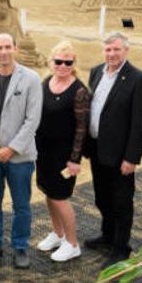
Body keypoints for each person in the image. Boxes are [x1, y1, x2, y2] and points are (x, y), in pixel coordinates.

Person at [0, 34, 42, 269]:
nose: (3, 52)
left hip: (19, 157)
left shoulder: (31, 79)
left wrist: (11, 149)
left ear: (15, 48)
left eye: (7, 47)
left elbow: (33, 119)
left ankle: (20, 247)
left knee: (21, 205)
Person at [85, 32, 142, 268]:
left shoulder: (138, 79)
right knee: (102, 197)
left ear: (126, 50)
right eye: (108, 49)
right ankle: (107, 235)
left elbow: (139, 122)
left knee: (121, 201)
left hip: (120, 154)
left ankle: (121, 247)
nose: (111, 54)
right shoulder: (95, 72)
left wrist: (131, 157)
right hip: (96, 148)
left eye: (116, 49)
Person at [35, 41, 90, 262]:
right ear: (51, 62)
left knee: (60, 197)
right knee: (48, 193)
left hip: (64, 153)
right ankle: (58, 234)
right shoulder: (46, 82)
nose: (63, 66)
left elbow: (81, 127)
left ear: (74, 63)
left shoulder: (79, 91)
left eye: (68, 62)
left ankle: (72, 243)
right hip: (43, 149)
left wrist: (74, 159)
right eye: (58, 61)